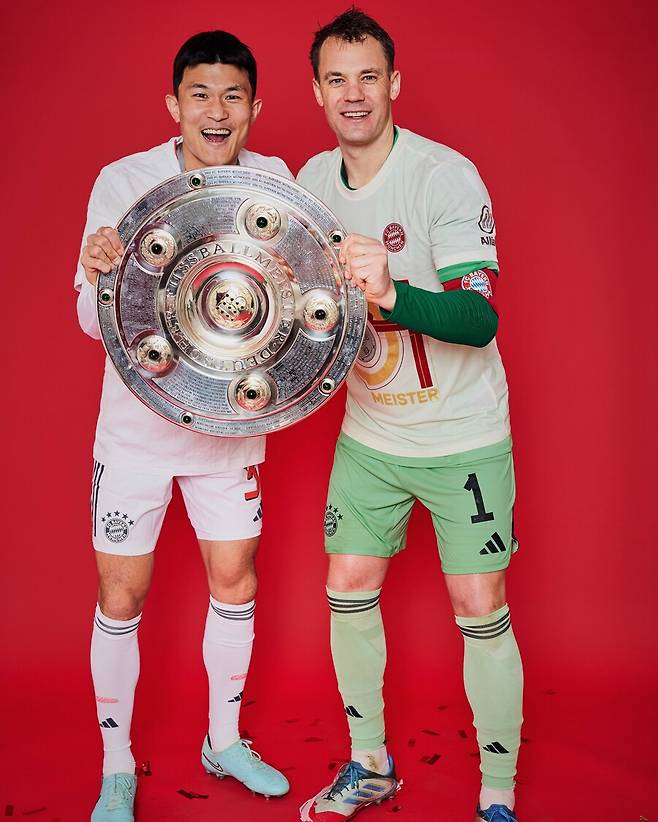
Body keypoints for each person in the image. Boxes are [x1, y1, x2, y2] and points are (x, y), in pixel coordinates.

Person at [296, 10, 523, 822]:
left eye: (368, 76)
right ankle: (371, 764)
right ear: (317, 91)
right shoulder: (311, 182)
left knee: (478, 604)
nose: (353, 94)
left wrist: (391, 292)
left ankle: (498, 794)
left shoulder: (443, 177)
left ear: (394, 83)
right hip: (371, 436)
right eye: (336, 79)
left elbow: (479, 319)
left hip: (462, 435)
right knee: (347, 586)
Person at [76, 30, 291, 821]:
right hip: (136, 433)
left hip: (227, 433)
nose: (216, 110)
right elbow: (88, 319)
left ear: (255, 107)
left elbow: (306, 306)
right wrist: (100, 271)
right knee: (121, 594)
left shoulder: (272, 181)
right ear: (174, 104)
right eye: (201, 95)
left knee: (235, 581)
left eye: (233, 96)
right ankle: (116, 769)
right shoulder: (124, 182)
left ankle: (222, 741)